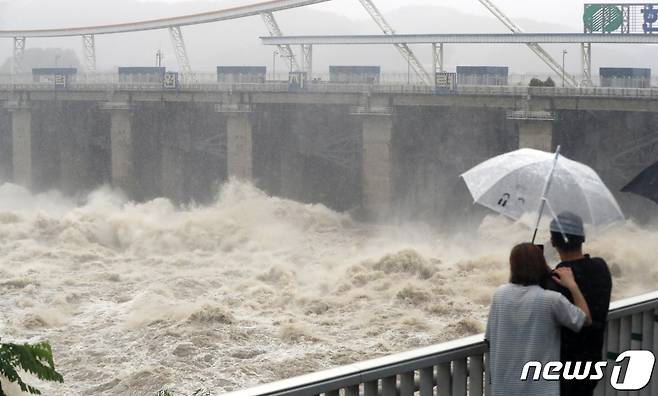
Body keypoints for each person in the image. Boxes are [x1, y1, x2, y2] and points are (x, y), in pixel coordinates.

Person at [486, 243, 592, 396]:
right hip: (540, 390)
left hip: (504, 389)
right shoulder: (551, 300)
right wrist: (572, 285)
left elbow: (489, 338)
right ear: (541, 265)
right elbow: (584, 319)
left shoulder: (499, 295)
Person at [547, 212, 613, 396]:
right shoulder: (600, 267)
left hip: (562, 365)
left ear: (552, 242)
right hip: (592, 359)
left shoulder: (555, 280)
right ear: (583, 238)